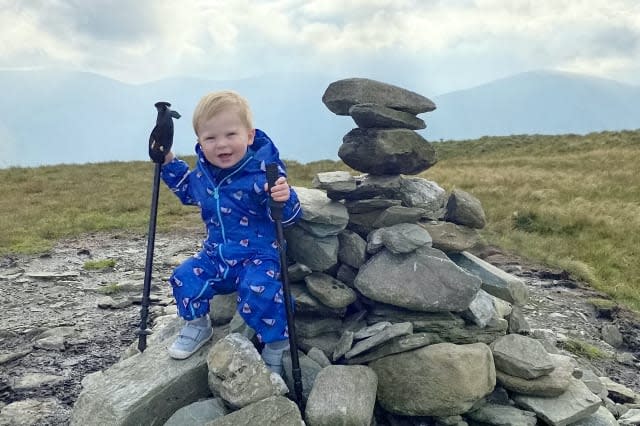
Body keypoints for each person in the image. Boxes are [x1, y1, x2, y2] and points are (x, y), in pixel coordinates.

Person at [158, 90, 302, 374]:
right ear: (200, 141)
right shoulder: (203, 175)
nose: (221, 145)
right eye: (210, 138)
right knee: (183, 276)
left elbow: (288, 219)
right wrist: (166, 159)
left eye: (230, 135)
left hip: (257, 255)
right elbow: (187, 188)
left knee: (260, 293)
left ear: (249, 136)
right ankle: (198, 325)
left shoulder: (264, 175)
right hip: (216, 255)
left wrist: (285, 198)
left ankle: (277, 345)